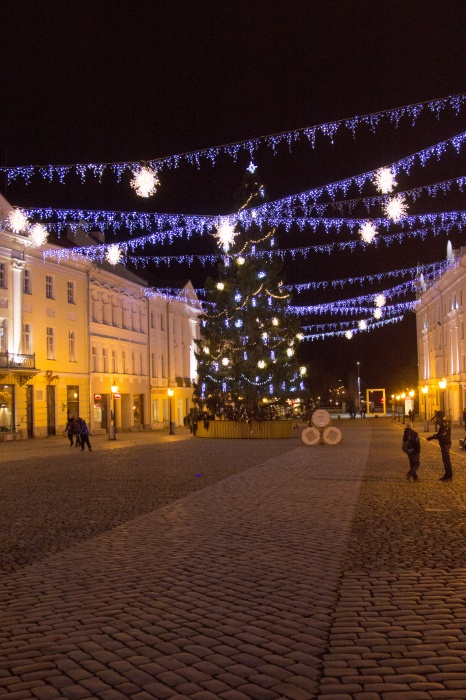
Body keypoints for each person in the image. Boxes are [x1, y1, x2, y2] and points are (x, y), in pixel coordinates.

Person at [426, 411, 452, 481]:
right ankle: (447, 474)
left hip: (445, 443)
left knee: (446, 460)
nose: (436, 419)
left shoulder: (444, 424)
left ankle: (449, 475)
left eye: (437, 417)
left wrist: (431, 437)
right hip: (445, 443)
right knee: (445, 460)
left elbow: (441, 435)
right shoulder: (443, 423)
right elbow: (440, 434)